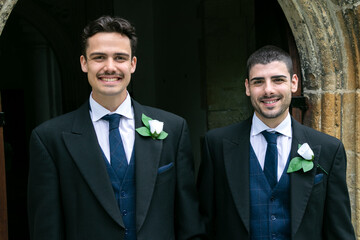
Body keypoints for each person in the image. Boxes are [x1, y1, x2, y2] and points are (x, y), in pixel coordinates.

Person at [28, 15, 205, 240]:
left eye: (120, 57)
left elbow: (190, 224)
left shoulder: (174, 129)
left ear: (133, 64)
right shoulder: (48, 139)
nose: (110, 67)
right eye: (99, 57)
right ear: (84, 63)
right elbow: (46, 231)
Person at [197, 45, 355, 239]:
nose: (268, 90)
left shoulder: (330, 149)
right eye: (258, 82)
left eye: (278, 80)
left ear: (293, 83)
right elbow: (204, 225)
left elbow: (339, 231)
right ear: (247, 87)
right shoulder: (216, 145)